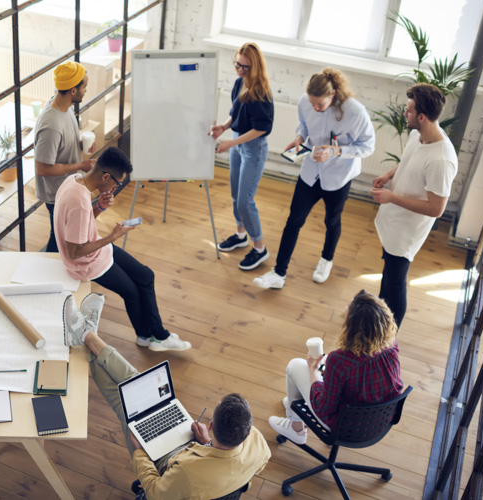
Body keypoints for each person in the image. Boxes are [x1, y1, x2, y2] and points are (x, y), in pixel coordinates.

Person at [63, 294, 271, 498]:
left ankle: (86, 335)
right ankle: (87, 335)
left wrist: (140, 453)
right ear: (247, 433)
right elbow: (243, 477)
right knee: (139, 385)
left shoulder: (187, 474)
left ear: (211, 426)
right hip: (199, 453)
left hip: (175, 467)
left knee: (123, 402)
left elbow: (155, 493)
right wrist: (208, 444)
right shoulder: (260, 447)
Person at [54, 146, 191, 352]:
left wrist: (99, 207)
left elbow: (79, 227)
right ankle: (154, 336)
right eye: (117, 183)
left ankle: (149, 336)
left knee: (146, 275)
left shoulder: (74, 180)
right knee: (133, 292)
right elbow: (74, 252)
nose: (116, 188)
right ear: (106, 176)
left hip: (97, 250)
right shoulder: (80, 203)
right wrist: (112, 237)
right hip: (85, 264)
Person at [254, 68, 375, 290]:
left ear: (334, 94)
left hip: (338, 175)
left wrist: (336, 151)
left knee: (332, 221)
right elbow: (304, 125)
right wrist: (299, 137)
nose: (315, 108)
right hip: (311, 172)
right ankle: (279, 273)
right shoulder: (306, 102)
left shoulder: (356, 113)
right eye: (312, 103)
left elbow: (368, 146)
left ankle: (326, 260)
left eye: (319, 104)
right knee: (293, 221)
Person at [371, 83, 457, 327]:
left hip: (406, 232)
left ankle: (388, 340)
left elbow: (436, 208)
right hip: (393, 220)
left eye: (408, 111)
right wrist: (388, 175)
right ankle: (378, 326)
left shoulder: (442, 160)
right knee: (387, 276)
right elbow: (408, 161)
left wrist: (393, 198)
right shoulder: (416, 135)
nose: (404, 115)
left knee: (395, 284)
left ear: (421, 116)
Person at [268, 290, 404, 443]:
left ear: (352, 327)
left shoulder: (339, 360)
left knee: (295, 366)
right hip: (380, 422)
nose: (346, 307)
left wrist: (313, 370)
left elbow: (323, 407)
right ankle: (295, 408)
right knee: (319, 373)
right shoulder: (391, 345)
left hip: (345, 428)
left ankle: (296, 428)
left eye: (348, 307)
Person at [210, 42, 274, 271]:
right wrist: (223, 128)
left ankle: (259, 248)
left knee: (246, 200)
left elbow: (261, 128)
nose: (240, 69)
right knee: (236, 196)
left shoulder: (260, 93)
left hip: (253, 148)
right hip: (238, 143)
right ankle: (241, 235)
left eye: (245, 67)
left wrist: (231, 143)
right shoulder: (239, 83)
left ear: (255, 67)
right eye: (238, 64)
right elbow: (235, 114)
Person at [34, 60, 96, 252]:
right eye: (84, 86)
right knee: (59, 237)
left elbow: (59, 145)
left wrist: (78, 144)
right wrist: (80, 165)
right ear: (73, 91)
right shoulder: (51, 125)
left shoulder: (65, 108)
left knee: (61, 234)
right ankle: (50, 271)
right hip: (56, 193)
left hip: (67, 186)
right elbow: (42, 168)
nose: (86, 90)